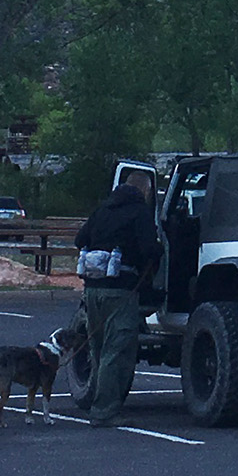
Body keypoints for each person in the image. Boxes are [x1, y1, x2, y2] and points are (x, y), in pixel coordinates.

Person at [73, 163, 162, 424]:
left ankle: (98, 403)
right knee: (116, 350)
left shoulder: (102, 210)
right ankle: (104, 412)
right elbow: (149, 249)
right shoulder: (139, 212)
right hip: (121, 291)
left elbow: (80, 240)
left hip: (92, 290)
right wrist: (158, 252)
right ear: (145, 191)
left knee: (99, 350)